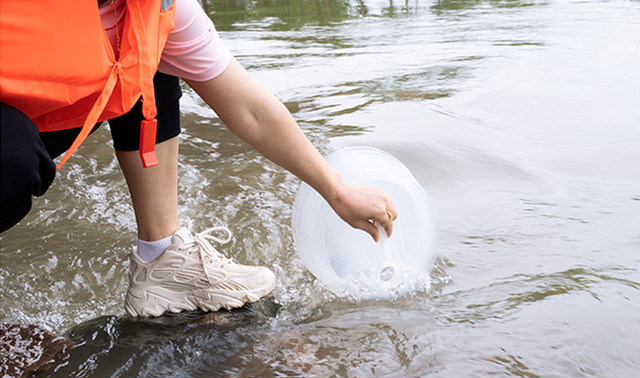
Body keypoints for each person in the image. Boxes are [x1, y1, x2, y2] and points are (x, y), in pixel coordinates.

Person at [0, 0, 397, 317]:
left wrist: (337, 189)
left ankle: (163, 259)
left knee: (146, 52)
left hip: (38, 120)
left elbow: (251, 110)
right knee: (12, 158)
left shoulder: (161, 8)